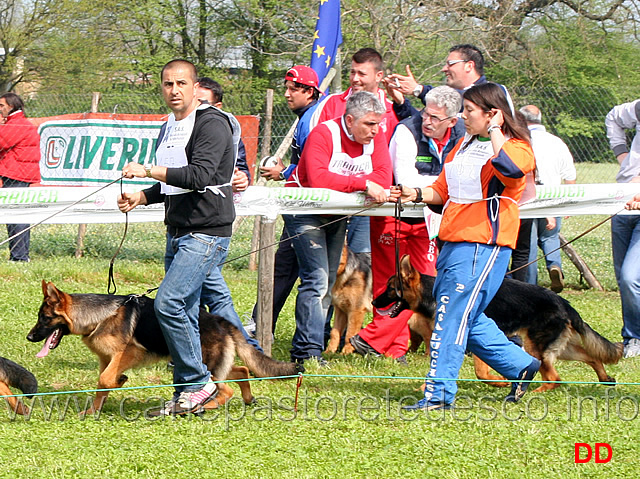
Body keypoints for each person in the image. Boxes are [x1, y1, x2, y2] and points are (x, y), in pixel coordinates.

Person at [393, 82, 540, 410]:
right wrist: (414, 194)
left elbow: (511, 169)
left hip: (481, 245)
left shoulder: (516, 147)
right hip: (452, 242)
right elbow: (442, 192)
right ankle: (521, 365)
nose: (463, 115)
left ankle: (438, 395)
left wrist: (497, 131)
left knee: (449, 318)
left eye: (470, 110)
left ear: (493, 114)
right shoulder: (462, 144)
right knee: (465, 317)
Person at [118, 59, 238, 415]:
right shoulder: (170, 125)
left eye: (181, 84)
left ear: (195, 86)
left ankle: (200, 383)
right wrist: (143, 196)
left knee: (168, 304)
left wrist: (147, 169)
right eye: (168, 84)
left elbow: (200, 174)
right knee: (184, 309)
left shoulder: (212, 125)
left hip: (207, 232)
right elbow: (173, 180)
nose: (174, 90)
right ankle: (187, 393)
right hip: (179, 230)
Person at [349, 86, 465, 360]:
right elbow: (405, 179)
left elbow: (461, 178)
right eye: (426, 113)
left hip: (430, 218)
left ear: (452, 121)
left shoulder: (462, 136)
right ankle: (394, 348)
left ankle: (371, 339)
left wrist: (441, 185)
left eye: (436, 118)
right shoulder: (406, 130)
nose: (427, 121)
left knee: (425, 284)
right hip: (393, 214)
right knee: (389, 282)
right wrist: (443, 183)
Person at [285, 91, 392, 364]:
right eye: (369, 124)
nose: (375, 130)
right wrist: (363, 184)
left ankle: (314, 344)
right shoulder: (324, 134)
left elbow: (384, 175)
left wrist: (358, 182)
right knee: (317, 279)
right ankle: (307, 352)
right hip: (305, 211)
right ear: (350, 119)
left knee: (329, 280)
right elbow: (319, 178)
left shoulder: (375, 137)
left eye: (378, 123)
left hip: (337, 214)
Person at [246, 65, 323, 335]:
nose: (287, 95)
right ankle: (261, 325)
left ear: (309, 91)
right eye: (286, 89)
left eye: (294, 89)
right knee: (284, 268)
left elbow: (316, 169)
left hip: (315, 208)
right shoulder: (307, 116)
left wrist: (285, 171)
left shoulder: (313, 119)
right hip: (300, 204)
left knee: (316, 277)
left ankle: (313, 341)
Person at [310, 48, 400, 255]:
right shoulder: (331, 103)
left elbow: (388, 164)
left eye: (361, 73)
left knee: (362, 260)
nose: (355, 79)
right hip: (332, 196)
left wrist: (373, 184)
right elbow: (316, 155)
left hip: (371, 200)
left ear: (379, 76)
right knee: (326, 264)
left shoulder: (392, 108)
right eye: (352, 72)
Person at [520, 105, 576, 292]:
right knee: (550, 236)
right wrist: (567, 204)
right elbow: (570, 174)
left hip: (527, 197)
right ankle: (554, 265)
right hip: (554, 197)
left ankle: (530, 285)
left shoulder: (521, 140)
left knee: (529, 243)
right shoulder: (557, 142)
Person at [385, 44, 514, 120]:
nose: (444, 69)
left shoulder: (495, 91)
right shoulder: (453, 97)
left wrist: (419, 90)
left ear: (469, 66)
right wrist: (401, 102)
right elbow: (423, 123)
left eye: (450, 64)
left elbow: (459, 100)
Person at [605, 99, 640, 359]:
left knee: (631, 277)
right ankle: (631, 336)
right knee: (624, 279)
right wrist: (623, 157)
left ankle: (635, 337)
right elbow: (614, 117)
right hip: (623, 200)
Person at [0, 93, 41, 262]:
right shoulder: (16, 123)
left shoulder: (16, 124)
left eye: (2, 106)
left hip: (15, 174)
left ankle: (19, 257)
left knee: (16, 216)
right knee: (17, 215)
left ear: (11, 106)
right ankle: (19, 256)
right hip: (19, 173)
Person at [196, 77, 251, 193]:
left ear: (217, 107)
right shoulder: (174, 130)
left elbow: (239, 168)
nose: (195, 108)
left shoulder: (229, 134)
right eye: (192, 102)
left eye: (202, 104)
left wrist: (241, 179)